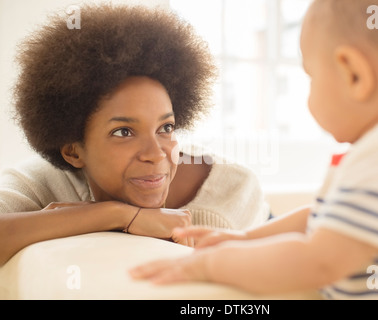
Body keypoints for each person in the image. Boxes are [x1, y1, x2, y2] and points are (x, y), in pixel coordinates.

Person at [129, 0, 378, 299]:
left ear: (354, 75)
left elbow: (317, 261)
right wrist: (247, 239)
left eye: (310, 75)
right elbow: (321, 217)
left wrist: (210, 266)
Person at [0, 4, 270, 266]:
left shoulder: (234, 190)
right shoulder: (40, 183)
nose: (156, 154)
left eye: (166, 128)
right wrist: (117, 215)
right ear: (73, 151)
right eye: (124, 132)